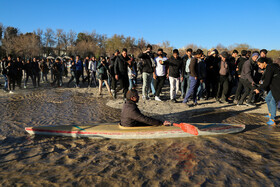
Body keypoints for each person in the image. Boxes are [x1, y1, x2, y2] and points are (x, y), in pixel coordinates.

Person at [254, 58, 280, 126]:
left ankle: (272, 119)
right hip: (274, 87)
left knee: (272, 102)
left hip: (277, 88)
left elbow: (267, 82)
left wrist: (258, 89)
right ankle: (270, 114)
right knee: (268, 98)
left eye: (260, 64)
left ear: (264, 63)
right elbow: (266, 78)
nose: (259, 66)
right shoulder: (269, 67)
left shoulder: (270, 68)